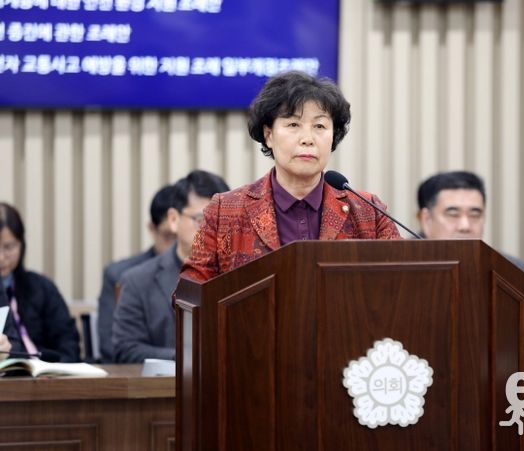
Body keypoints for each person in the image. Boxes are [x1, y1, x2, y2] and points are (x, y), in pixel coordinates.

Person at [181, 71, 400, 282]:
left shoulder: (369, 212)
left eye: (320, 126)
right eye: (294, 124)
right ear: (269, 135)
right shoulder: (224, 212)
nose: (308, 139)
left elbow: (401, 285)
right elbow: (191, 293)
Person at [416, 171, 524, 353]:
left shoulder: (511, 270)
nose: (465, 226)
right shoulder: (398, 266)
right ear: (426, 219)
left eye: (475, 214)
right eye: (453, 214)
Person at [112, 170, 229, 363]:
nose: (214, 230)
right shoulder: (138, 281)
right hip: (167, 380)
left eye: (222, 220)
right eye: (202, 220)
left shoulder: (243, 275)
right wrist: (188, 359)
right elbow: (126, 349)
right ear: (174, 219)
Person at [97, 184, 177, 363]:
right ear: (152, 229)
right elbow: (111, 347)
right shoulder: (121, 275)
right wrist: (185, 358)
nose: (176, 245)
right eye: (169, 237)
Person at [0, 202, 80, 362]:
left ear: (21, 245)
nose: (1, 257)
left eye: (8, 247)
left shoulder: (42, 288)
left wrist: (57, 368)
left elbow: (68, 342)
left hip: (49, 373)